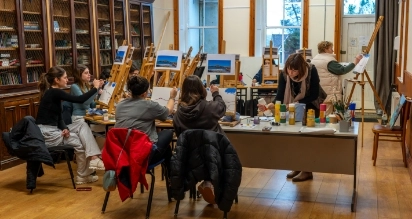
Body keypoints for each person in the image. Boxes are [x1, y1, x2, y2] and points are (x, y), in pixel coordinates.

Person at [257, 53, 322, 182]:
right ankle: (297, 166)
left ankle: (307, 170)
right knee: (295, 139)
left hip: (311, 107)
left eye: (294, 70)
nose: (291, 73)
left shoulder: (311, 70)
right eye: (289, 69)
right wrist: (271, 105)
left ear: (301, 68)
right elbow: (280, 95)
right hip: (292, 108)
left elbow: (315, 94)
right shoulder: (284, 74)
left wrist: (296, 104)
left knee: (306, 141)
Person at [36, 67, 105, 185]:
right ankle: (83, 175)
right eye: (65, 77)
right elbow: (80, 99)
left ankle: (92, 159)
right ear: (57, 80)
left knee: (82, 125)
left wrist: (64, 128)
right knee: (79, 142)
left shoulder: (53, 93)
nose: (67, 80)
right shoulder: (54, 91)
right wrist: (95, 87)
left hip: (53, 129)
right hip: (47, 133)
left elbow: (58, 118)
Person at [173, 75, 226, 204]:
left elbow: (179, 134)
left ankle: (208, 182)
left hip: (189, 159)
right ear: (201, 89)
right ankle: (209, 182)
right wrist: (216, 93)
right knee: (211, 148)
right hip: (213, 156)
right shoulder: (209, 107)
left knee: (201, 151)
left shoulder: (179, 112)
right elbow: (222, 107)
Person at [114, 76, 176, 175]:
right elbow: (168, 112)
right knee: (168, 133)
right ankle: (173, 179)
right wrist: (172, 97)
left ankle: (172, 179)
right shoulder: (149, 105)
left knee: (166, 149)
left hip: (122, 153)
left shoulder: (120, 105)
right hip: (142, 156)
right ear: (144, 93)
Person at [311, 40, 363, 115]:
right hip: (329, 93)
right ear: (325, 49)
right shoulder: (329, 61)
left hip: (320, 92)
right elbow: (342, 70)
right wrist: (355, 62)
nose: (333, 50)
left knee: (321, 115)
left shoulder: (315, 59)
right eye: (331, 48)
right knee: (328, 116)